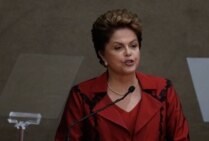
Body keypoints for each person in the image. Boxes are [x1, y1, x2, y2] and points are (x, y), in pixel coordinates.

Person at [55, 9, 190, 141]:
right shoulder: (82, 95)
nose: (128, 53)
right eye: (118, 47)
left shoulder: (163, 90)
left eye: (133, 45)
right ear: (102, 55)